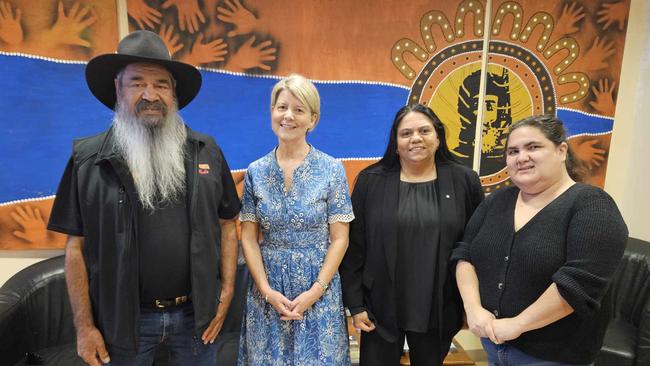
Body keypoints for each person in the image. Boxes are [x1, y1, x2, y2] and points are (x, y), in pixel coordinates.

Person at [47, 30, 241, 365]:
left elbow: (228, 225)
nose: (150, 94)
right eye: (137, 83)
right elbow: (75, 248)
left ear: (173, 94)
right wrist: (84, 327)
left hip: (197, 319)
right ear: (118, 89)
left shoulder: (206, 150)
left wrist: (226, 294)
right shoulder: (88, 160)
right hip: (123, 323)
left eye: (161, 84)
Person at [452, 115, 628, 365]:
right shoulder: (496, 201)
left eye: (533, 147)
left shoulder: (592, 206)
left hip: (554, 356)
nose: (521, 157)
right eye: (513, 151)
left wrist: (518, 325)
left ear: (561, 150)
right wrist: (473, 310)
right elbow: (464, 254)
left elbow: (578, 285)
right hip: (493, 346)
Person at [340, 103, 484, 365]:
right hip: (379, 307)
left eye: (424, 131)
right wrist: (355, 304)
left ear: (438, 138)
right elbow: (354, 247)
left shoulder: (465, 181)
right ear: (395, 143)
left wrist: (470, 305)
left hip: (439, 305)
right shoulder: (371, 181)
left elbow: (474, 246)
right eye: (406, 133)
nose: (415, 138)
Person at [238, 74, 354, 365]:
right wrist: (266, 290)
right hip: (268, 290)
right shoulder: (256, 171)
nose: (288, 116)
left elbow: (340, 238)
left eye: (298, 110)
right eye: (281, 107)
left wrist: (316, 291)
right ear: (272, 112)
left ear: (312, 119)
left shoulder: (331, 169)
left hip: (318, 288)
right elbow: (248, 237)